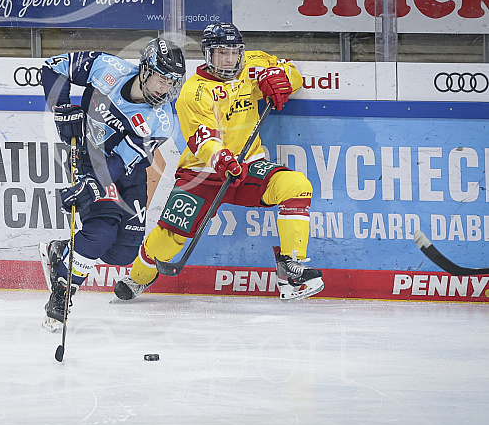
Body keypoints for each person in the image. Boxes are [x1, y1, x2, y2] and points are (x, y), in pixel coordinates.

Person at [113, 22, 324, 302]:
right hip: (203, 173)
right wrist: (221, 158)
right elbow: (202, 140)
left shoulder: (253, 64)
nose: (229, 59)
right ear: (208, 54)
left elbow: (293, 72)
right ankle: (138, 277)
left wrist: (278, 78)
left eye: (234, 52)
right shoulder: (193, 92)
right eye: (221, 53)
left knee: (296, 186)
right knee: (168, 239)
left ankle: (290, 271)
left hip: (248, 166)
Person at [39, 38, 186, 329]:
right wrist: (61, 108)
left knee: (122, 253)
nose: (165, 88)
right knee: (100, 232)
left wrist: (92, 186)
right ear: (144, 70)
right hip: (90, 159)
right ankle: (62, 291)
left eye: (171, 82)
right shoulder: (107, 67)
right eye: (161, 78)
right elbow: (53, 68)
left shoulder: (162, 121)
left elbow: (121, 162)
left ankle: (62, 252)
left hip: (126, 174)